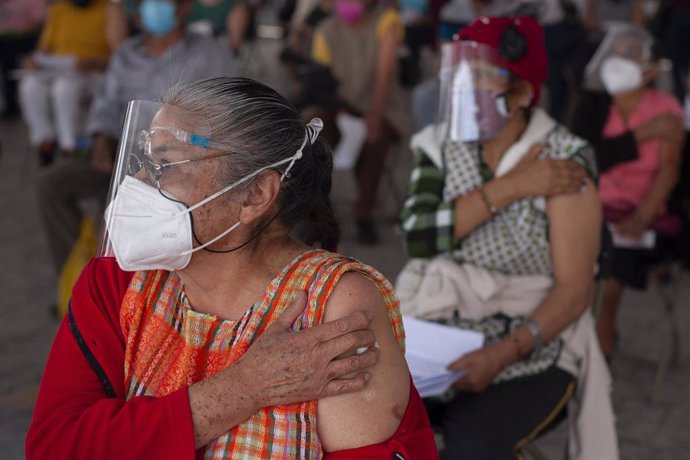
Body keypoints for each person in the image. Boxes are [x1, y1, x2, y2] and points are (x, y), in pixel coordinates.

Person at [26, 76, 437, 459]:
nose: (138, 181)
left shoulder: (328, 306)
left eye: (165, 165)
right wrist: (242, 389)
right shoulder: (118, 281)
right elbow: (54, 447)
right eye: (144, 160)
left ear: (255, 194)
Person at [398, 16, 617, 459]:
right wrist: (513, 186)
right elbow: (420, 238)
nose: (464, 85)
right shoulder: (440, 145)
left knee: (473, 447)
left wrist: (502, 354)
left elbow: (575, 291)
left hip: (535, 344)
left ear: (520, 93)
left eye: (480, 75)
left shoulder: (565, 160)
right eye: (459, 73)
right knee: (368, 419)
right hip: (437, 336)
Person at [35, 0, 234, 284]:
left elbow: (224, 111)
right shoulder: (126, 53)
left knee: (129, 213)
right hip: (119, 153)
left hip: (179, 163)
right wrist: (101, 141)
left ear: (183, 8)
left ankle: (147, 287)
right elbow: (104, 104)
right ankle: (83, 279)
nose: (153, 8)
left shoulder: (209, 52)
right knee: (52, 184)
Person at [575, 25, 685, 358]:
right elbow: (584, 160)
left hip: (641, 214)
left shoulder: (666, 107)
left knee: (611, 265)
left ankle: (601, 338)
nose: (618, 60)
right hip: (589, 207)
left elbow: (669, 172)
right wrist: (642, 134)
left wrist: (641, 217)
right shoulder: (592, 104)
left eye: (630, 54)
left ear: (651, 68)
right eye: (615, 51)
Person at [310, 0, 407, 244]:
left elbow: (384, 75)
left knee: (376, 137)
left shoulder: (387, 22)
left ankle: (364, 213)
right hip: (340, 106)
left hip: (383, 107)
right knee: (310, 128)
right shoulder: (326, 29)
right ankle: (313, 211)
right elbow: (321, 80)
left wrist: (373, 114)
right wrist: (341, 109)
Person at [19, 0, 110, 165]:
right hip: (58, 69)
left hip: (93, 71)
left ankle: (69, 144)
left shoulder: (109, 9)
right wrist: (35, 60)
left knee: (64, 88)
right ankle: (44, 140)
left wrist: (91, 63)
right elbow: (45, 47)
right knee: (30, 85)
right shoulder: (59, 10)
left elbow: (119, 52)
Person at [0, 0, 45, 118]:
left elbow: (38, 20)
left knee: (24, 74)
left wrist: (19, 31)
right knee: (8, 73)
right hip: (4, 40)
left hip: (25, 39)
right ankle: (11, 105)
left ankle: (29, 107)